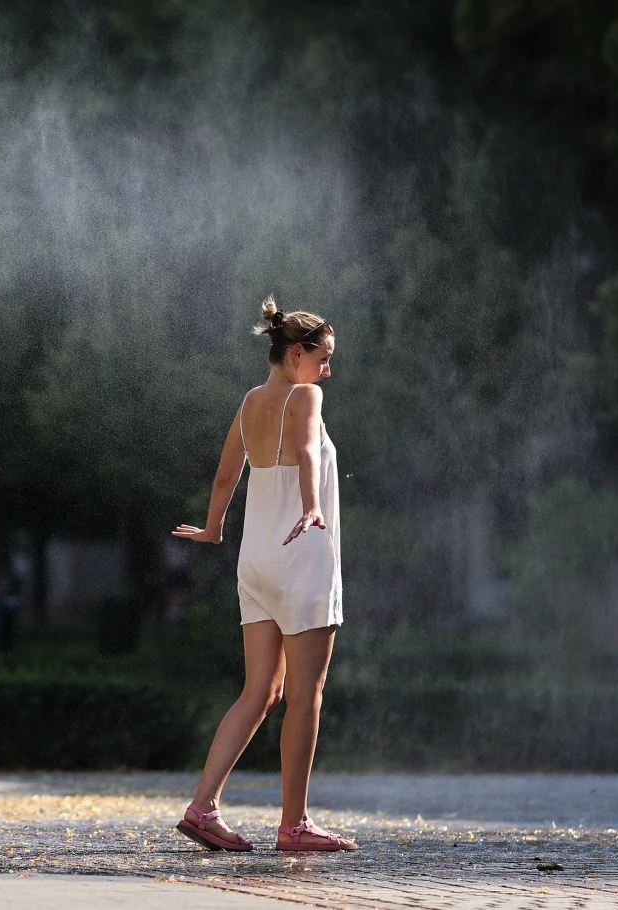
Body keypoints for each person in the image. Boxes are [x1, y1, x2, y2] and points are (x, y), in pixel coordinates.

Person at [171, 295, 355, 853]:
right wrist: (313, 506)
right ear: (296, 353)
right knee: (305, 694)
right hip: (301, 556)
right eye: (323, 358)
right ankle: (294, 826)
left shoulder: (251, 401)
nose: (327, 371)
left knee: (259, 692)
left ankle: (202, 808)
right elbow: (306, 451)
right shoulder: (307, 395)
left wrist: (212, 529)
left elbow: (226, 474)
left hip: (255, 560)